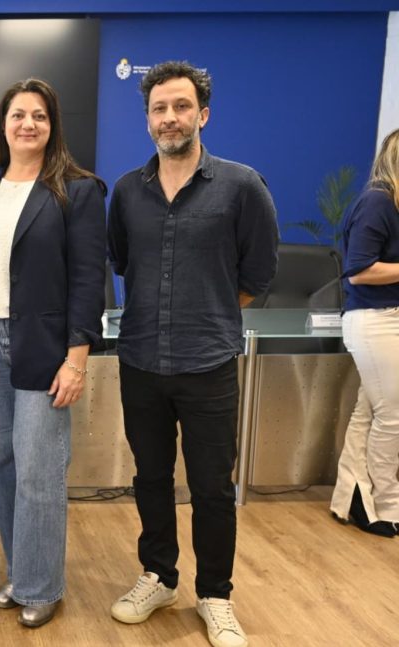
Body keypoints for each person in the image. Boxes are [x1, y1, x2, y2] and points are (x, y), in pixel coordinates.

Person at [107, 61, 278, 647]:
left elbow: (258, 274)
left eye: (181, 106)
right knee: (151, 477)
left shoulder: (242, 186)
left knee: (211, 487)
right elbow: (123, 261)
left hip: (209, 364)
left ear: (203, 114)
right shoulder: (127, 192)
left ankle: (215, 595)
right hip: (141, 362)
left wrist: (208, 312)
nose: (170, 118)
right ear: (148, 119)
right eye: (159, 108)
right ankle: (159, 577)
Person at [0, 78, 107, 628]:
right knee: (3, 462)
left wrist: (76, 359)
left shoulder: (78, 190)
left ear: (52, 125)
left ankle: (42, 586)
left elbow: (88, 280)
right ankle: (22, 571)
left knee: (41, 468)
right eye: (18, 114)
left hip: (45, 347)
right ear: (3, 124)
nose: (28, 124)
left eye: (39, 116)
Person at [330, 128, 399, 538]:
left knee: (370, 411)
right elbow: (359, 270)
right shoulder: (378, 201)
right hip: (376, 320)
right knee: (393, 416)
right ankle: (388, 504)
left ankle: (352, 497)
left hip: (388, 318)